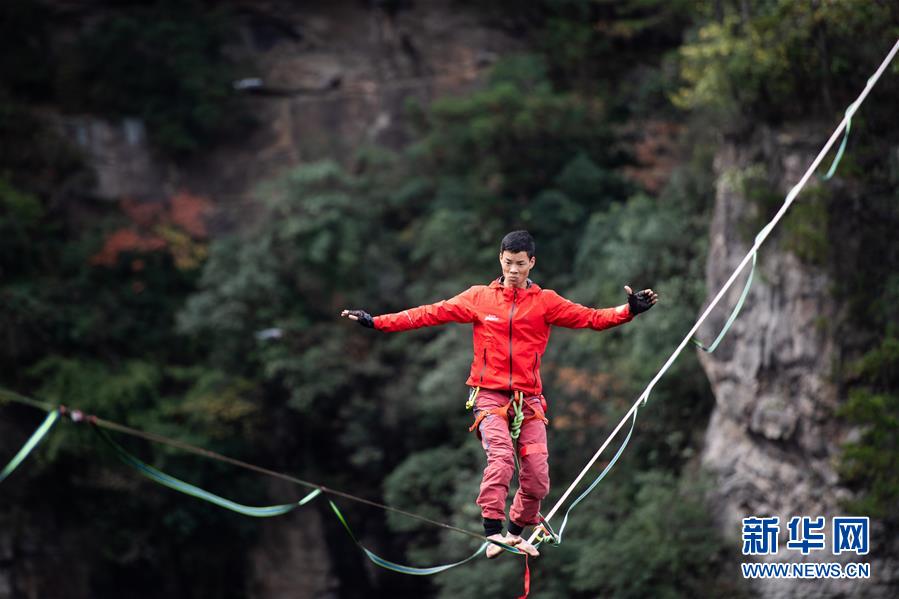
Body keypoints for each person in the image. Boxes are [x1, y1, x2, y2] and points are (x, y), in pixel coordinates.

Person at [340, 230, 658, 559]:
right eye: (508, 263)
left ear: (532, 263)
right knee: (502, 458)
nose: (514, 271)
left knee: (537, 478)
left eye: (521, 264)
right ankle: (493, 533)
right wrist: (376, 322)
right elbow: (428, 313)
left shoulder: (545, 302)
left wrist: (629, 310)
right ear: (500, 260)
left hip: (529, 401)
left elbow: (592, 318)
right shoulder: (480, 298)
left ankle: (516, 533)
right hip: (489, 396)